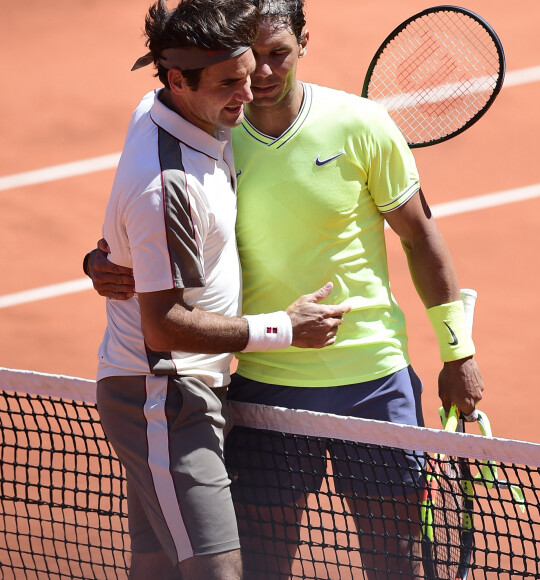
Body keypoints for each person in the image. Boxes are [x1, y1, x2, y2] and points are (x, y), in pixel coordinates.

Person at [87, 0, 484, 577]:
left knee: (394, 562)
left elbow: (421, 237)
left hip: (372, 378)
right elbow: (147, 215)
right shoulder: (214, 129)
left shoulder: (361, 124)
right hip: (261, 385)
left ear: (304, 42)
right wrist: (99, 260)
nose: (263, 78)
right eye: (252, 63)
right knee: (263, 564)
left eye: (279, 56)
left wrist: (458, 352)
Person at [88, 1, 351, 579]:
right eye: (229, 82)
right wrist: (283, 328)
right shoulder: (169, 186)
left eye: (250, 69)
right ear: (178, 79)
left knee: (157, 568)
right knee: (220, 572)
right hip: (163, 396)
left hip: (171, 390)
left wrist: (101, 258)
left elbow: (130, 232)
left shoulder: (165, 112)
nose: (248, 90)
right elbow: (164, 324)